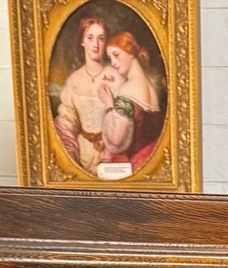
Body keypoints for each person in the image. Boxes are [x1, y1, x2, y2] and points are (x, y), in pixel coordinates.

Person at [95, 31, 165, 175]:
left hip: (132, 163)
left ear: (131, 53)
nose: (113, 63)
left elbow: (116, 143)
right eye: (110, 57)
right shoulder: (150, 87)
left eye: (116, 55)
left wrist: (109, 106)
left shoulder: (127, 91)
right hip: (148, 161)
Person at [54, 14, 113, 173]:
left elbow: (123, 125)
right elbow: (66, 123)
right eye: (90, 38)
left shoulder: (115, 77)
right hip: (82, 154)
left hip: (114, 156)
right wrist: (72, 161)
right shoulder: (74, 80)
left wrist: (107, 162)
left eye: (101, 38)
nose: (96, 44)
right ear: (82, 41)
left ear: (106, 42)